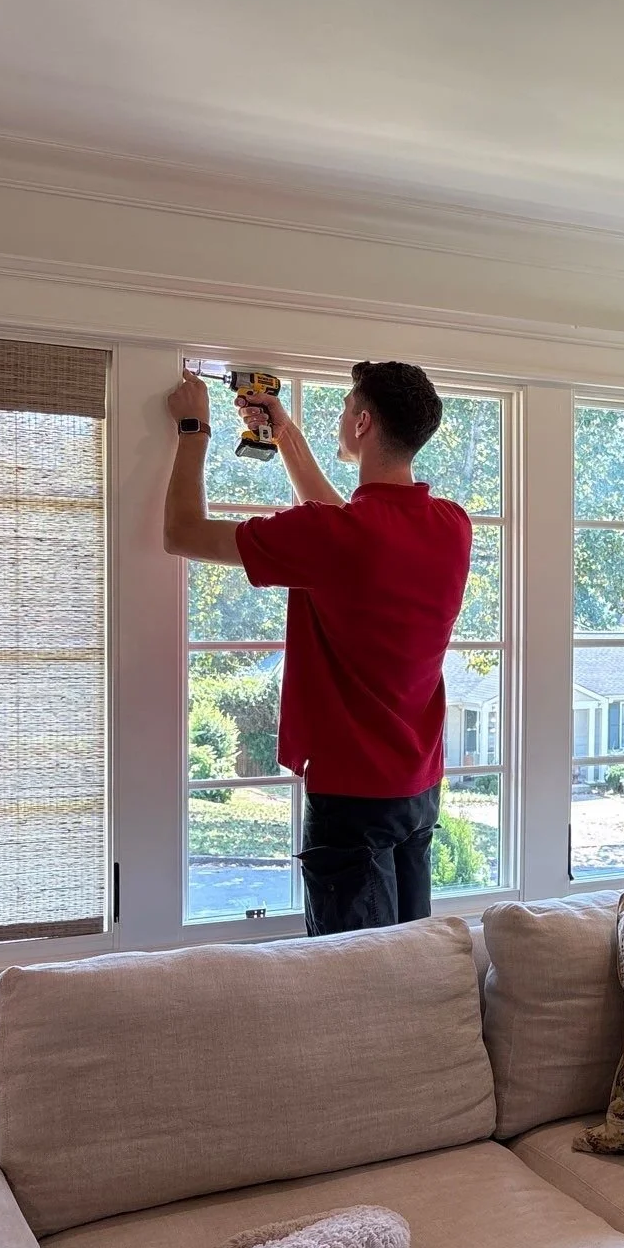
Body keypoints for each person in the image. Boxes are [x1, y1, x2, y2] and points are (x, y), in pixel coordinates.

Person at [162, 361, 471, 934]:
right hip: (418, 791)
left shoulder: (333, 537)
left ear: (363, 422)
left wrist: (192, 428)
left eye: (347, 406)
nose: (341, 416)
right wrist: (284, 435)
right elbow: (353, 529)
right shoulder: (452, 525)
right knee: (413, 962)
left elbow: (181, 531)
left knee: (353, 975)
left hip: (352, 800)